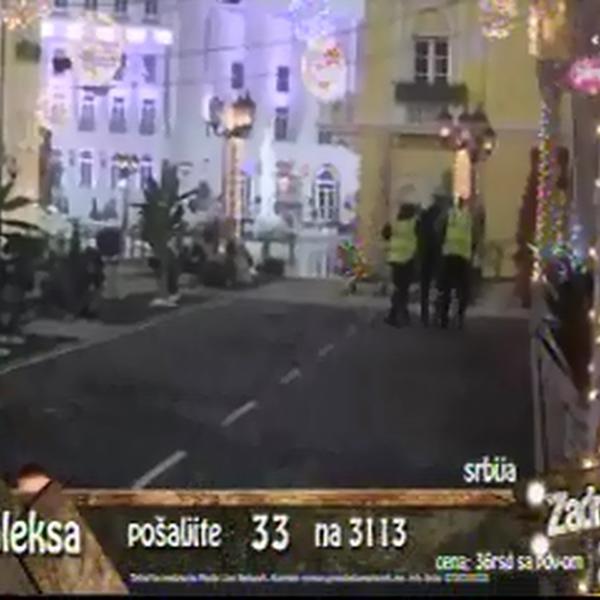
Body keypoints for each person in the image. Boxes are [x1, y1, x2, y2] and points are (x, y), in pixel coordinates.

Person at [381, 203, 419, 327]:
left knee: (398, 288)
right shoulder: (414, 223)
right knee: (403, 289)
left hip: (395, 259)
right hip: (408, 260)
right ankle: (399, 314)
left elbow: (385, 234)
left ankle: (397, 314)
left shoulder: (394, 223)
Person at [439, 197, 474, 329]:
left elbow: (439, 231)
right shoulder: (468, 217)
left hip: (449, 254)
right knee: (463, 289)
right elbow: (475, 235)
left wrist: (442, 247)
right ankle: (460, 316)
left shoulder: (448, 215)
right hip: (463, 256)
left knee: (446, 288)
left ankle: (444, 317)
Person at [417, 195, 448, 326]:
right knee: (439, 286)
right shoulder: (441, 219)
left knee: (425, 287)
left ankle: (424, 314)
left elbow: (418, 235)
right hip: (436, 256)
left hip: (424, 255)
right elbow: (443, 237)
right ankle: (438, 313)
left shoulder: (423, 219)